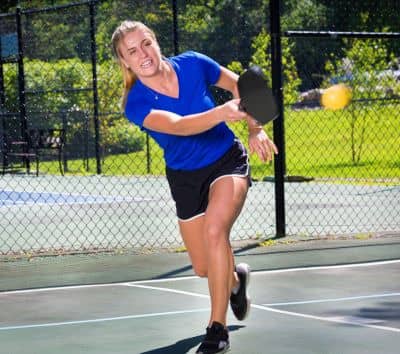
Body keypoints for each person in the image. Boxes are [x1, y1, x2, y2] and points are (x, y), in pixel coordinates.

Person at [111, 20, 278, 354]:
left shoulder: (193, 63)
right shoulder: (135, 103)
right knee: (204, 267)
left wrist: (255, 127)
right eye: (132, 51)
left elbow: (241, 86)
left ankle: (217, 330)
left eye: (146, 43)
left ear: (155, 42)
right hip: (185, 178)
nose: (142, 53)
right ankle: (234, 281)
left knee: (217, 232)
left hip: (226, 160)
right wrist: (221, 112)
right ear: (125, 62)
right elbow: (180, 127)